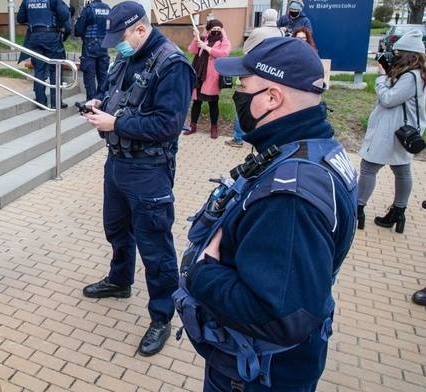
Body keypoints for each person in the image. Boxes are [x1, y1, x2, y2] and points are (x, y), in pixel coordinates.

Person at [175, 37, 357, 391]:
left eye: (243, 87)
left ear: (272, 98)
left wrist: (203, 273)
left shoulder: (290, 199)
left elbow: (280, 316)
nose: (236, 95)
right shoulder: (313, 148)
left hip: (256, 375)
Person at [81, 1, 195, 357]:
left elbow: (168, 125)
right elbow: (117, 92)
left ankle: (162, 316)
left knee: (155, 247)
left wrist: (116, 123)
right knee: (116, 228)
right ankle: (119, 280)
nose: (117, 46)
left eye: (121, 38)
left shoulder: (172, 64)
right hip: (117, 163)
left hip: (149, 171)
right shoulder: (128, 56)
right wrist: (100, 103)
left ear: (141, 30)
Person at [356, 29, 425, 233]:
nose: (393, 56)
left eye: (397, 53)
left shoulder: (411, 77)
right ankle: (398, 212)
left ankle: (358, 208)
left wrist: (381, 77)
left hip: (392, 132)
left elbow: (388, 99)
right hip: (400, 130)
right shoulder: (416, 74)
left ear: (408, 55)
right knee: (401, 170)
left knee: (369, 167)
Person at [226, 9, 285, 147]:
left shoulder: (258, 32)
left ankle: (238, 138)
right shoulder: (282, 32)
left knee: (243, 103)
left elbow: (246, 50)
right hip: (273, 74)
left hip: (253, 72)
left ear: (263, 18)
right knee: (269, 107)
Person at [16, 0, 72, 109]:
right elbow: (65, 15)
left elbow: (20, 18)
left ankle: (40, 101)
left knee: (39, 69)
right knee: (55, 69)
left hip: (34, 37)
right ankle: (55, 102)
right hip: (51, 37)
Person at [184, 19, 231, 139]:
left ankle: (214, 128)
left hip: (212, 77)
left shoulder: (223, 41)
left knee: (213, 103)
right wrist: (196, 38)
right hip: (199, 74)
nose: (216, 31)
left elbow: (224, 53)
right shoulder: (203, 38)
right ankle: (192, 126)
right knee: (196, 102)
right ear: (209, 30)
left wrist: (207, 48)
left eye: (218, 29)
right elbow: (192, 50)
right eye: (213, 29)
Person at [74, 0, 111, 100]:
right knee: (103, 76)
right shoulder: (108, 9)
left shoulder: (89, 9)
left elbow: (78, 30)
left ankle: (91, 103)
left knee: (89, 76)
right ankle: (101, 102)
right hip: (104, 46)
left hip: (90, 47)